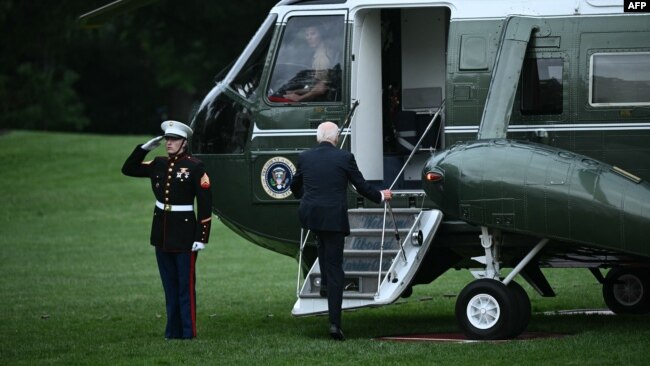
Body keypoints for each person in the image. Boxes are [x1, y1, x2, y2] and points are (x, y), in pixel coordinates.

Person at [290, 121, 392, 341]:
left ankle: (325, 284)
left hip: (311, 214)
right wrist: (381, 196)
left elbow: (294, 185)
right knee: (336, 268)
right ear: (335, 138)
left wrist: (304, 198)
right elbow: (361, 186)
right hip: (333, 217)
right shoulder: (344, 157)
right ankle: (335, 324)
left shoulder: (305, 157)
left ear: (319, 137)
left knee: (321, 243)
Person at [121, 120, 213, 340]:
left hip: (185, 235)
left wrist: (202, 237)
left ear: (184, 143)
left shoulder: (194, 166)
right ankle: (172, 332)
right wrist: (144, 149)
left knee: (185, 287)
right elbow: (128, 169)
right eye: (167, 139)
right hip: (161, 233)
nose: (168, 143)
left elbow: (205, 203)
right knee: (169, 286)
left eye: (174, 140)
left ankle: (188, 332)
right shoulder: (158, 164)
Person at [283, 24, 334, 102]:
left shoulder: (321, 58)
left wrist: (299, 98)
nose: (309, 38)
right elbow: (317, 85)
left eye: (313, 34)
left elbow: (321, 88)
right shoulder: (325, 50)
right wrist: (296, 91)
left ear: (321, 35)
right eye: (307, 35)